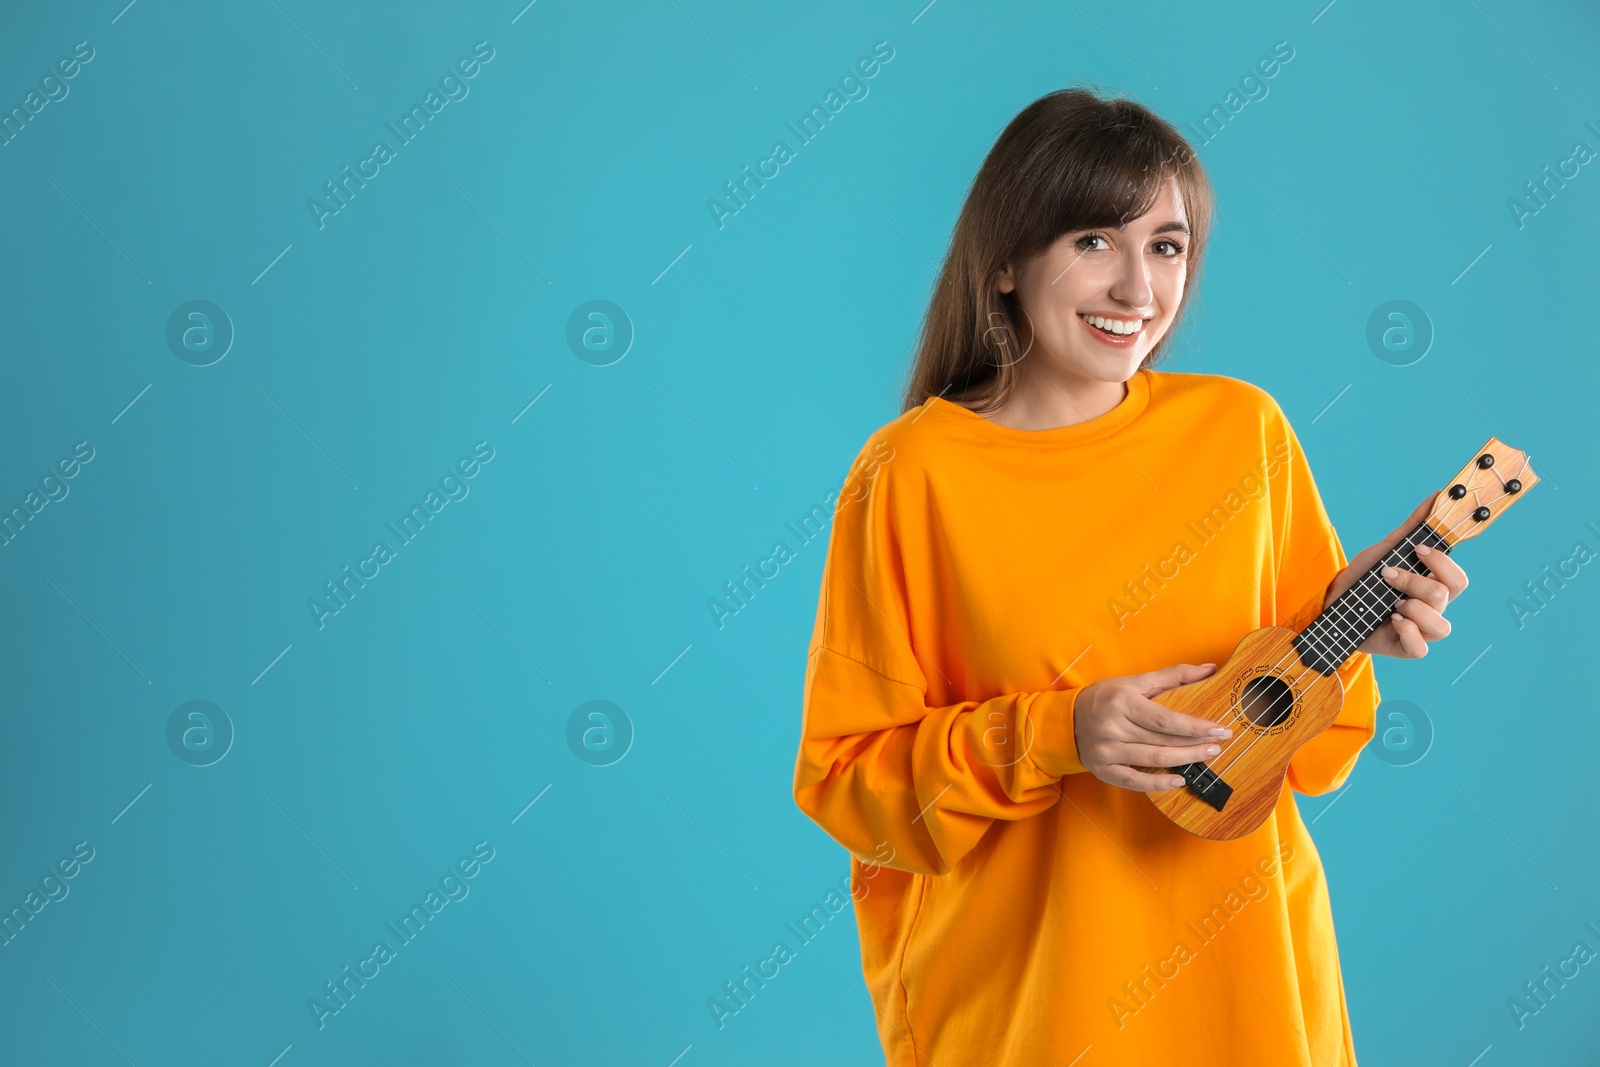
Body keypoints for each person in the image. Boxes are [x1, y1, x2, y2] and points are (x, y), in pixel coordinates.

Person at [791, 86, 1466, 1066]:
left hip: (1250, 997)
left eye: (1166, 245)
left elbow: (1306, 752)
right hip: (1031, 1015)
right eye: (1094, 241)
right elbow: (849, 783)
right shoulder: (910, 475)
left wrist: (1348, 631)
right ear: (1009, 260)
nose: (1137, 292)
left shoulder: (1242, 437)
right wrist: (1058, 733)